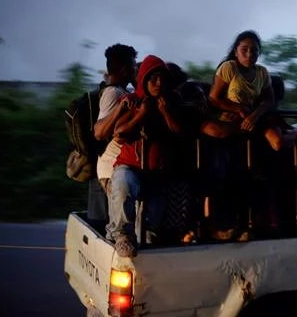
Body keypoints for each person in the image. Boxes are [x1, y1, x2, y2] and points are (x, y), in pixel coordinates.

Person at [106, 55, 183, 257]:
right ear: (144, 80)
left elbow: (180, 134)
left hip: (157, 172)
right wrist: (140, 115)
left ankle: (146, 243)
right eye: (153, 78)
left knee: (153, 223)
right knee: (123, 186)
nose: (158, 83)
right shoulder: (132, 101)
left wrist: (165, 113)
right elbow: (119, 134)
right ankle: (121, 236)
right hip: (130, 166)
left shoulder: (171, 102)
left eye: (161, 79)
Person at [200, 30, 282, 151]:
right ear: (236, 52)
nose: (249, 54)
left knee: (277, 142)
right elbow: (213, 98)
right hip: (228, 119)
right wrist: (238, 108)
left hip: (252, 118)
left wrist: (254, 116)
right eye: (244, 50)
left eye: (254, 50)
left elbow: (269, 100)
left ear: (259, 53)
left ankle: (295, 134)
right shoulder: (229, 67)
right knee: (213, 131)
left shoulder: (262, 72)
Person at [91, 44, 138, 232]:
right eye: (134, 66)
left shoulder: (119, 90)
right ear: (125, 69)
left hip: (117, 168)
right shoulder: (113, 93)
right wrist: (120, 108)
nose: (136, 69)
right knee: (121, 227)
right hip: (112, 170)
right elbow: (99, 132)